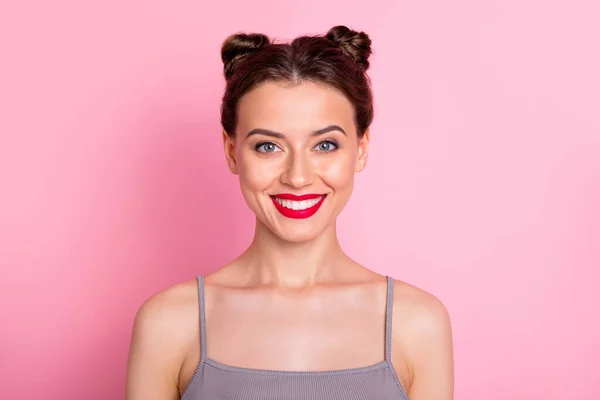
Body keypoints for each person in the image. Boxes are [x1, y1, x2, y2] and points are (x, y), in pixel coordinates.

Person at [126, 25, 454, 400]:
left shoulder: (418, 324)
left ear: (360, 149)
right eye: (268, 147)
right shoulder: (168, 323)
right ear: (232, 151)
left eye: (325, 144)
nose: (297, 177)